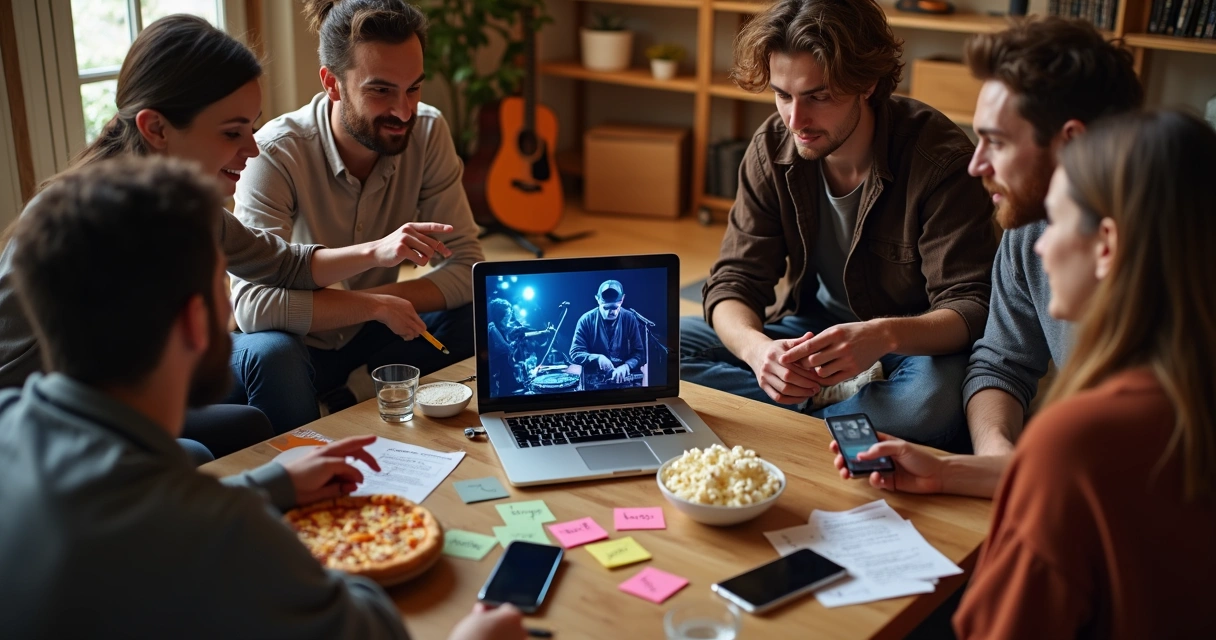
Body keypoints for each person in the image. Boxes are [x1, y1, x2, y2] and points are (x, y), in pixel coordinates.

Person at [0, 156, 525, 640]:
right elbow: (374, 629)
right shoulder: (226, 539)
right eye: (221, 288)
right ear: (193, 321)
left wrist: (268, 485)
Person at [0, 14, 443, 454]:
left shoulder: (194, 205)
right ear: (156, 129)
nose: (252, 148)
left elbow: (284, 263)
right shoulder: (69, 225)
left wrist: (379, 251)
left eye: (252, 126)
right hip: (54, 428)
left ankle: (311, 478)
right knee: (200, 450)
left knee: (251, 422)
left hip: (131, 394)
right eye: (233, 131)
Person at [832, 18, 1144, 497]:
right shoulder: (1027, 232)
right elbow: (1002, 364)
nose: (976, 165)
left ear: (1073, 142)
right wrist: (984, 464)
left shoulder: (1174, 269)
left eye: (996, 142)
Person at [679, 0, 996, 450]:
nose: (795, 120)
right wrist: (758, 353)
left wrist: (880, 335)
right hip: (809, 332)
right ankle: (843, 416)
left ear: (866, 82)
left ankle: (781, 421)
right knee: (657, 349)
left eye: (818, 96)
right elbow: (735, 281)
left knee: (927, 406)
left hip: (907, 348)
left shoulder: (939, 160)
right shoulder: (771, 147)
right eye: (783, 95)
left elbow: (971, 306)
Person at [953, 110, 1216, 638]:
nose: (1040, 246)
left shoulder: (1078, 440)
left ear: (1107, 245)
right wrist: (947, 471)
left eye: (1056, 219)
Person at [231, 0, 484, 425]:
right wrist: (371, 306)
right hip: (297, 341)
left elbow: (467, 265)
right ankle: (331, 418)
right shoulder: (272, 153)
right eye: (381, 90)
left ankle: (353, 393)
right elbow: (254, 305)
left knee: (481, 316)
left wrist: (380, 305)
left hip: (371, 333)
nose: (404, 112)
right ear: (332, 84)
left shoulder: (427, 129)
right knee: (272, 355)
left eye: (414, 88)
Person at [570, 280, 645, 388]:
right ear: (597, 299)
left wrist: (627, 366)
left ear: (622, 299)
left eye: (615, 307)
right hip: (594, 385)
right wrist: (597, 358)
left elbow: (639, 353)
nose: (612, 312)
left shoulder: (630, 319)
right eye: (606, 308)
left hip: (624, 383)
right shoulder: (585, 320)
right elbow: (575, 353)